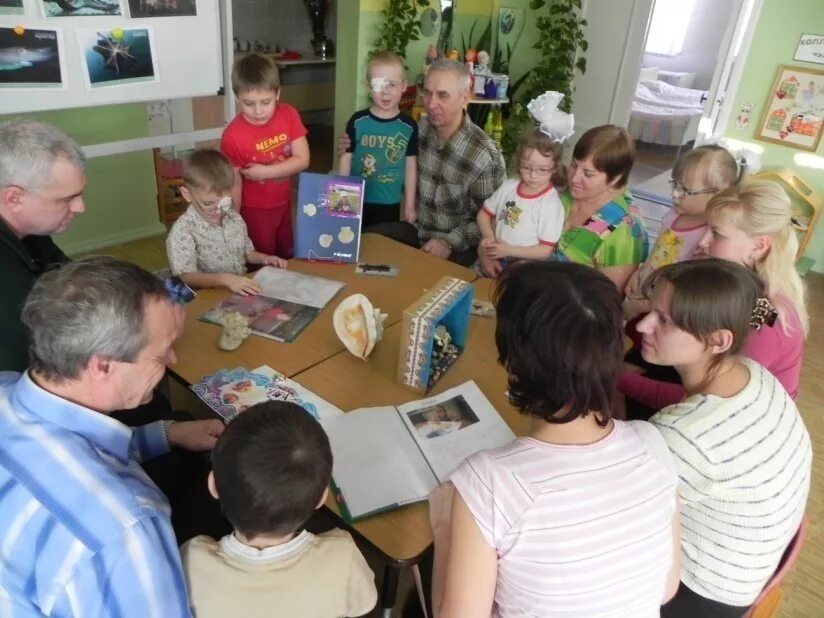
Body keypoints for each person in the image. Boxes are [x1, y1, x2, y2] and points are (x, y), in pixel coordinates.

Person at [428, 261, 681, 617]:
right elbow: (665, 589)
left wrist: (443, 526)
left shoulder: (488, 482)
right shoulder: (653, 443)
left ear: (513, 362)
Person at [0, 256, 225, 616]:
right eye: (160, 352)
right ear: (102, 365)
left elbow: (83, 444)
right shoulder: (124, 531)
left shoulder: (6, 388)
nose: (173, 359)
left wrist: (169, 433)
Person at [637, 259, 811, 617]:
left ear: (718, 340)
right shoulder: (755, 374)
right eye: (651, 311)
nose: (643, 325)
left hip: (700, 596)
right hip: (749, 570)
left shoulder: (684, 437)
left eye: (664, 320)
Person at [618, 180, 808, 410]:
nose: (703, 241)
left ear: (759, 246)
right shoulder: (732, 288)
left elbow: (708, 402)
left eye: (716, 234)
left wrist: (617, 379)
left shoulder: (765, 318)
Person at [181, 401, 377, 618]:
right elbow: (364, 603)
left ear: (213, 485)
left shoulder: (191, 558)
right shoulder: (343, 556)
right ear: (321, 497)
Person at [341, 59, 506, 267]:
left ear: (465, 98)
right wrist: (352, 147)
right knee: (362, 241)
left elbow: (491, 219)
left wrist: (448, 243)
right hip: (417, 232)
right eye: (427, 93)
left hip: (460, 248)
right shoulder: (418, 130)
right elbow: (388, 162)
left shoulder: (484, 156)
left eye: (442, 95)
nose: (431, 103)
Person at [0, 117, 85, 372]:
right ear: (14, 198)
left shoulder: (31, 231)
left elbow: (71, 280)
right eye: (66, 199)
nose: (80, 207)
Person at [623, 144, 741, 319]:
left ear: (719, 193)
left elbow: (688, 290)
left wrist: (642, 306)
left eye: (685, 190)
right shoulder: (675, 213)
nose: (675, 194)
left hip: (663, 311)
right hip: (645, 292)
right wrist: (640, 272)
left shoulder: (708, 238)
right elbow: (658, 247)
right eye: (675, 185)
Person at [221, 52, 310, 258]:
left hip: (285, 203)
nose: (258, 111)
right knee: (262, 260)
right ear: (237, 98)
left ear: (277, 94)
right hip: (254, 212)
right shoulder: (232, 136)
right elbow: (235, 182)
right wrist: (233, 219)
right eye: (249, 103)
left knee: (286, 256)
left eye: (265, 102)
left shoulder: (289, 115)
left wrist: (265, 173)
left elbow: (303, 159)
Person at [166, 149, 287, 295]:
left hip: (239, 291)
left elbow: (247, 253)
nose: (218, 210)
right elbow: (186, 276)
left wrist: (265, 258)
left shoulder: (233, 218)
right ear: (187, 194)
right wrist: (226, 280)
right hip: (208, 298)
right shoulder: (183, 230)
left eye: (224, 202)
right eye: (208, 203)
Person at [476, 92, 571, 275]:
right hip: (497, 253)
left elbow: (545, 251)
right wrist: (489, 240)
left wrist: (509, 250)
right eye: (526, 167)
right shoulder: (509, 186)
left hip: (525, 267)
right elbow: (484, 214)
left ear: (555, 168)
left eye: (542, 170)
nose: (533, 176)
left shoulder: (550, 204)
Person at [551, 124, 648, 290]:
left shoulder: (624, 231)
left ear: (615, 178)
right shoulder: (570, 192)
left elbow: (606, 301)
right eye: (574, 165)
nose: (574, 178)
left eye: (588, 174)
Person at [339, 50, 418, 228]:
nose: (385, 92)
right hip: (355, 197)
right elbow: (346, 158)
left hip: (389, 201)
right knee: (351, 243)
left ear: (404, 86)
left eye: (392, 84)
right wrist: (341, 195)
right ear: (368, 87)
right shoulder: (357, 121)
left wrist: (410, 205)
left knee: (383, 246)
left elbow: (410, 166)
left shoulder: (408, 126)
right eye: (378, 85)